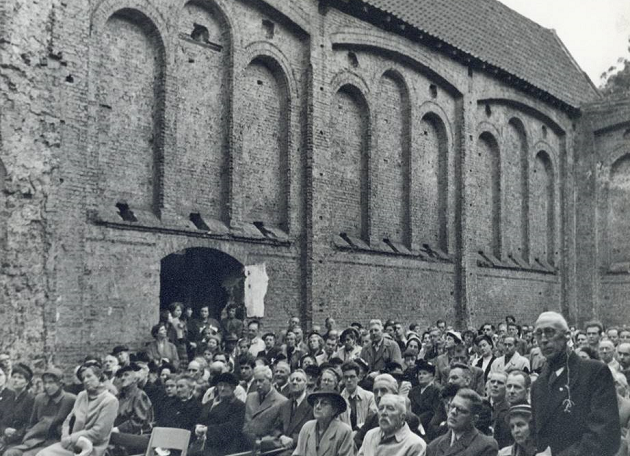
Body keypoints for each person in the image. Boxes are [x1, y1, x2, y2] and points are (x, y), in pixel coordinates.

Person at [531, 311, 620, 456]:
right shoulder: (538, 385)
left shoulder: (594, 372)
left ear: (567, 336)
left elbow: (605, 434)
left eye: (549, 332)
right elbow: (535, 433)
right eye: (538, 334)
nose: (543, 339)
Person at [36, 362, 119, 456]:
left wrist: (71, 438)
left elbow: (98, 432)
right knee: (42, 454)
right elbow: (68, 420)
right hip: (71, 445)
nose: (85, 381)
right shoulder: (82, 395)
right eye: (83, 378)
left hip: (91, 448)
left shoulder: (110, 401)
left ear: (99, 377)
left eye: (89, 376)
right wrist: (65, 436)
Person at [3, 368, 76, 456]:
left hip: (55, 442)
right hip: (35, 439)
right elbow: (32, 423)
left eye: (51, 382)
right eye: (45, 382)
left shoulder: (70, 399)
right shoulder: (39, 398)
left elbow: (74, 426)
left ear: (60, 383)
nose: (47, 386)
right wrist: (28, 437)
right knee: (10, 453)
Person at [426, 389, 498, 456]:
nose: (453, 412)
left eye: (461, 410)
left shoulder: (486, 446)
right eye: (452, 406)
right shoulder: (434, 446)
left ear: (474, 419)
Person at [259, 370, 313, 456]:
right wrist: (281, 436)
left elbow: (314, 432)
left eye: (298, 380)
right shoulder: (285, 404)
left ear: (306, 384)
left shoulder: (312, 404)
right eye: (292, 380)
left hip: (302, 448)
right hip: (282, 446)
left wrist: (292, 440)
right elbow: (274, 427)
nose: (294, 382)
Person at [191, 372, 246, 456]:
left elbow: (232, 428)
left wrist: (207, 430)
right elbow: (199, 419)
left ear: (233, 388)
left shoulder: (237, 405)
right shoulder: (209, 403)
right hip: (202, 445)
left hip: (224, 447)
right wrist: (197, 428)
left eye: (226, 385)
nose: (222, 388)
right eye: (220, 385)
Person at [358, 393, 427, 456]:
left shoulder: (415, 445)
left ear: (402, 417)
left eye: (390, 409)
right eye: (381, 408)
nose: (383, 413)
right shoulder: (370, 435)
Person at [292, 390, 354, 456]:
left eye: (324, 403)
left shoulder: (344, 431)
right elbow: (297, 453)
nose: (318, 406)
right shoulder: (307, 427)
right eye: (316, 402)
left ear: (334, 410)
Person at [243, 366, 288, 448]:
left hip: (264, 447)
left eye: (261, 381)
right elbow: (245, 422)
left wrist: (261, 442)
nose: (257, 384)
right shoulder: (250, 397)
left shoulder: (282, 402)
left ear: (271, 380)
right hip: (245, 444)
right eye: (256, 381)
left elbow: (278, 431)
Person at [1, 363, 36, 449]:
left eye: (20, 378)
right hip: (3, 437)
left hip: (19, 440)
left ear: (27, 382)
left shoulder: (31, 400)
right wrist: (4, 430)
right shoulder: (7, 398)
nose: (15, 380)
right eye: (14, 377)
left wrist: (9, 437)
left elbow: (29, 425)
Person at [339, 361, 376, 431]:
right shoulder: (338, 400)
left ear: (358, 378)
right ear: (343, 379)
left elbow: (373, 420)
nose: (349, 380)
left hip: (365, 436)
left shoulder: (369, 397)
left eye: (352, 377)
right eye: (346, 377)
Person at [409, 360, 440, 430]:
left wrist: (418, 421)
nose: (421, 376)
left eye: (424, 373)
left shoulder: (436, 391)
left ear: (431, 376)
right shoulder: (413, 391)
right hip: (412, 424)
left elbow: (434, 412)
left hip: (427, 425)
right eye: (419, 374)